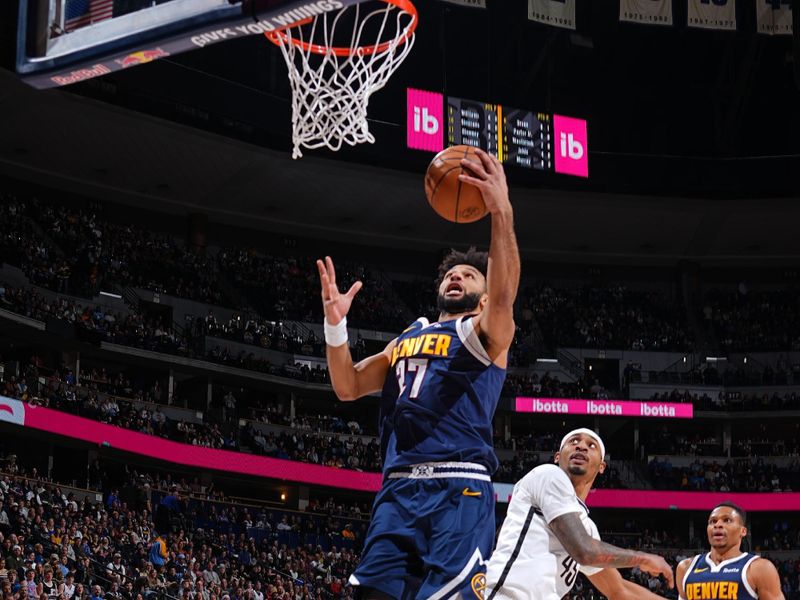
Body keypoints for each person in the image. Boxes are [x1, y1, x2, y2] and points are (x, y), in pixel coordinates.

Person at [317, 148, 520, 599]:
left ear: (484, 297)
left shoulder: (485, 333)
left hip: (459, 485)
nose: (456, 278)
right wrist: (336, 326)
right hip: (398, 489)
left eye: (469, 275)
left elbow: (506, 297)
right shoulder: (407, 337)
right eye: (451, 274)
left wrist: (500, 211)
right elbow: (347, 386)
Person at [484, 428, 674, 599]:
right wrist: (643, 558)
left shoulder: (587, 529)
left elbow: (619, 590)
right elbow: (585, 552)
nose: (581, 446)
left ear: (601, 466)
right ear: (557, 457)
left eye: (591, 445)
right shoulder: (548, 475)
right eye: (574, 441)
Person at [676, 502, 784, 600]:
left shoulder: (759, 568)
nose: (717, 525)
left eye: (727, 520)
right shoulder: (685, 568)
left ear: (743, 531)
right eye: (713, 521)